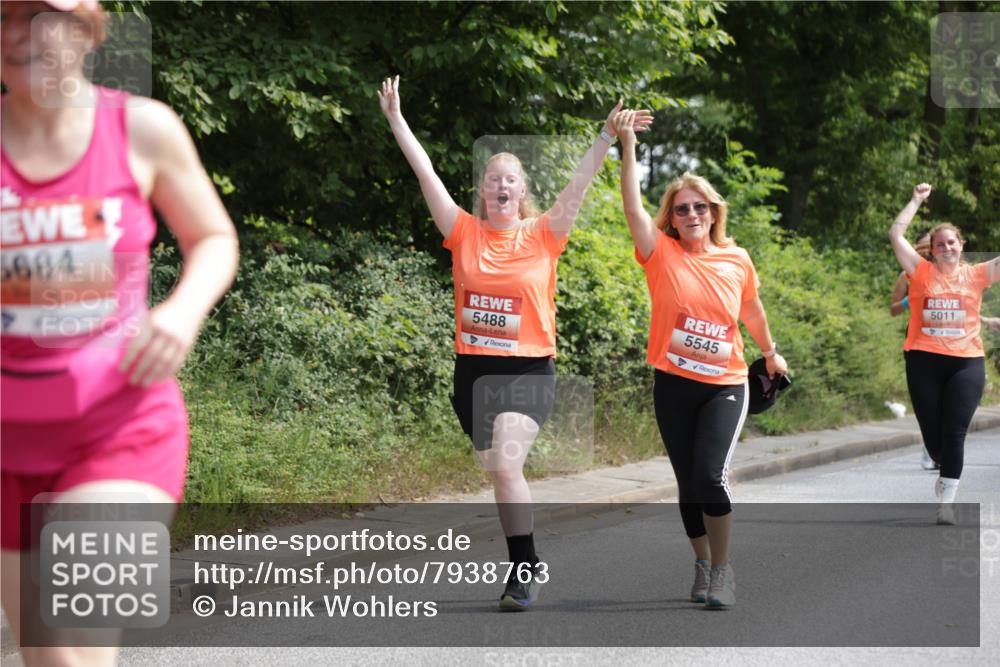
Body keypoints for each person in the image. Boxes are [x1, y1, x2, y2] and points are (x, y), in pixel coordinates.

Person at [1, 1, 239, 664]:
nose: (20, 34)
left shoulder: (142, 129)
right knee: (49, 658)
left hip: (121, 427)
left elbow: (213, 238)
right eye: (5, 16)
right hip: (7, 441)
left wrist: (181, 311)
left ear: (87, 30)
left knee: (76, 614)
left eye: (40, 14)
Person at [379, 75, 650, 610]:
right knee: (496, 471)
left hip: (528, 370)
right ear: (483, 192)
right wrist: (396, 118)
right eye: (493, 179)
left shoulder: (545, 234)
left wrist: (606, 136)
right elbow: (425, 171)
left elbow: (579, 184)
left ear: (521, 193)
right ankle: (527, 556)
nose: (501, 186)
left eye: (511, 180)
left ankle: (522, 570)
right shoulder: (462, 231)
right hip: (472, 372)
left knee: (505, 466)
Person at [613, 110, 788, 609]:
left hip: (725, 385)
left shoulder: (737, 258)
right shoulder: (660, 253)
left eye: (700, 207)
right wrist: (628, 145)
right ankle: (702, 562)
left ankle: (723, 570)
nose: (692, 214)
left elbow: (751, 309)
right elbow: (632, 208)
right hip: (673, 383)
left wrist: (770, 353)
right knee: (688, 483)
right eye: (682, 209)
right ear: (671, 218)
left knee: (711, 476)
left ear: (713, 212)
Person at [888, 183, 999, 525]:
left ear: (961, 245)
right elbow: (895, 234)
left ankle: (946, 502)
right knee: (935, 441)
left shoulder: (978, 274)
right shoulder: (919, 271)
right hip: (924, 361)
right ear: (932, 251)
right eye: (940, 244)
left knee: (955, 432)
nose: (947, 247)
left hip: (967, 362)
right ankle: (940, 459)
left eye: (952, 242)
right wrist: (916, 200)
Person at [889, 233, 940, 470]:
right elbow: (893, 309)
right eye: (923, 247)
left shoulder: (950, 272)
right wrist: (909, 301)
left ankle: (940, 449)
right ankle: (930, 449)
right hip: (919, 339)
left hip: (948, 340)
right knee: (929, 399)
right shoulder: (906, 275)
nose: (927, 252)